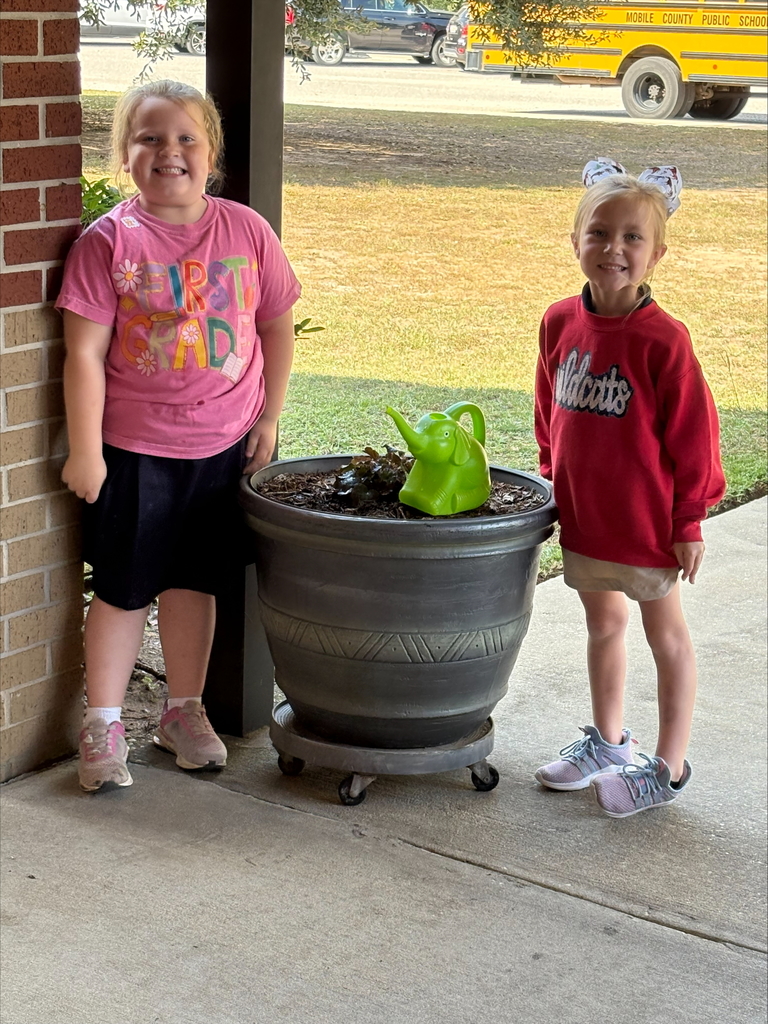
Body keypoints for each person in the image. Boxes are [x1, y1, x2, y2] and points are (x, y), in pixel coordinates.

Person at [56, 80, 301, 792]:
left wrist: (269, 416)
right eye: (150, 138)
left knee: (196, 584)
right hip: (134, 450)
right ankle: (102, 725)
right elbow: (83, 354)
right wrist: (86, 449)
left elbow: (275, 324)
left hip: (223, 447)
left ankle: (182, 712)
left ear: (212, 152)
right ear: (124, 154)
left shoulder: (247, 231)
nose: (170, 153)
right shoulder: (108, 242)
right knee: (125, 589)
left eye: (186, 138)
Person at [533, 158, 725, 818]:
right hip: (587, 519)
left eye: (632, 238)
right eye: (599, 233)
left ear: (657, 254)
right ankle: (610, 743)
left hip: (646, 525)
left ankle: (667, 766)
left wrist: (689, 519)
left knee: (664, 635)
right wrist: (549, 476)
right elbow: (547, 407)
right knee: (602, 624)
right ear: (576, 241)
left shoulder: (664, 342)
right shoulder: (560, 322)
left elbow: (694, 436)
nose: (613, 249)